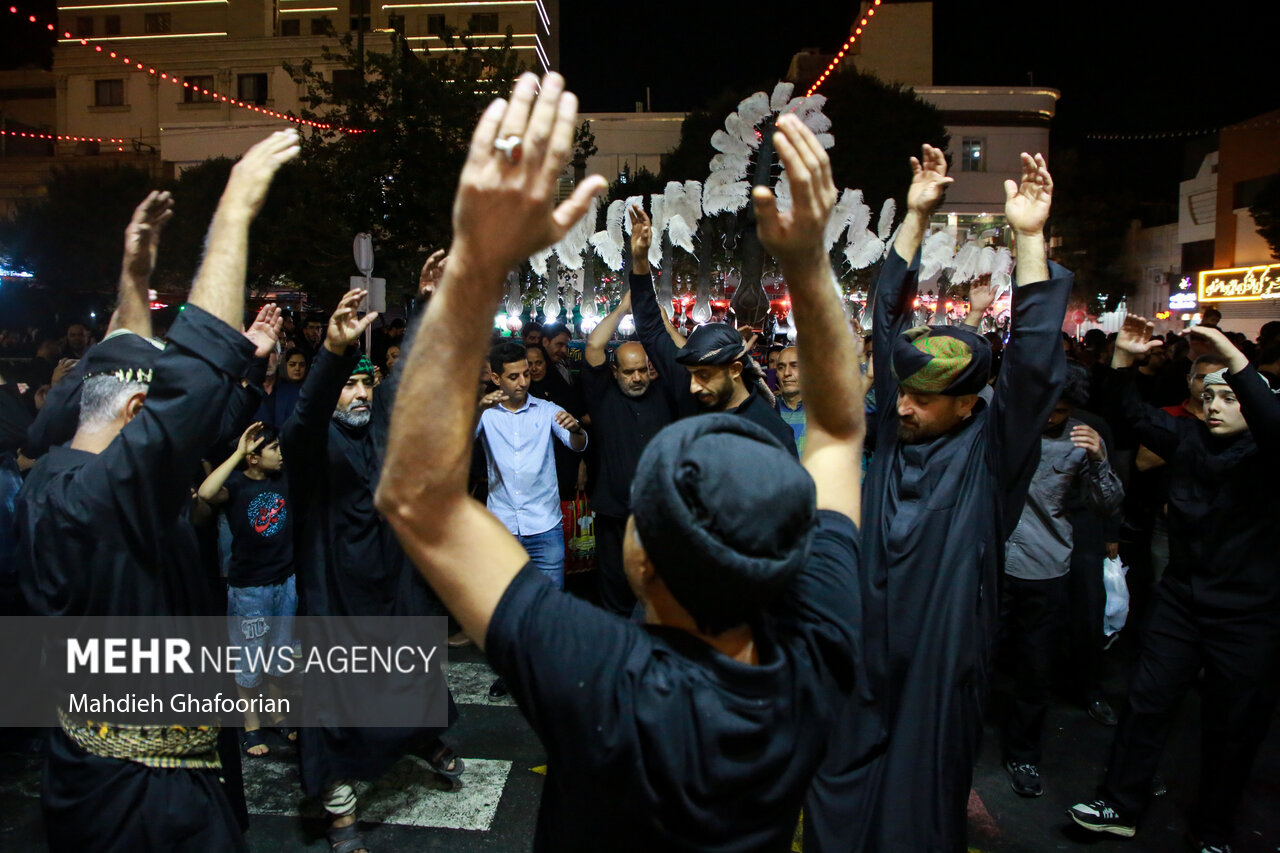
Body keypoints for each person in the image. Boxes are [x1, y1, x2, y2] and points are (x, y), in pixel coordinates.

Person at [377, 72, 866, 852]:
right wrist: (810, 264)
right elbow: (843, 434)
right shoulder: (819, 652)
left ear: (642, 559)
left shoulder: (600, 676)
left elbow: (411, 494)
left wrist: (475, 266)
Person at [14, 129, 298, 853]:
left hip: (89, 768)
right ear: (140, 415)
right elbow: (191, 378)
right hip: (144, 798)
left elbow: (123, 363)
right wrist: (233, 211)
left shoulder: (53, 475)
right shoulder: (108, 497)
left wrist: (134, 273)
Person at [806, 146, 1071, 853]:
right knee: (838, 792)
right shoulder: (896, 432)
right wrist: (916, 214)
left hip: (939, 667)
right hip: (864, 652)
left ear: (967, 403)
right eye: (905, 391)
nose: (904, 406)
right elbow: (887, 318)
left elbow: (1037, 359)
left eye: (926, 397)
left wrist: (1028, 237)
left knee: (916, 817)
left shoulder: (992, 453)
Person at [1068, 320, 1280, 853]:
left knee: (1233, 727)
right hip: (1181, 600)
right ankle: (1120, 803)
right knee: (1147, 700)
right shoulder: (1187, 438)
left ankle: (1212, 831)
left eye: (1230, 397)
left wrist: (1232, 355)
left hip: (1251, 614)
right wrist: (1122, 361)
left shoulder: (1270, 452)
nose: (1215, 406)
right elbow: (1129, 414)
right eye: (1207, 395)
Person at [283, 261, 462, 853]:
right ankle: (340, 816)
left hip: (392, 584)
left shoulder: (379, 424)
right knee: (333, 710)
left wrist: (425, 304)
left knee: (410, 677)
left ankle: (416, 738)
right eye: (347, 385)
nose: (360, 394)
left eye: (364, 383)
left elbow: (406, 376)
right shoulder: (310, 443)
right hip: (336, 596)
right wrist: (331, 354)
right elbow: (304, 419)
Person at [1000, 365, 1123, 798]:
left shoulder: (1081, 439)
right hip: (994, 565)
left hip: (1045, 568)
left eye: (1061, 410)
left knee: (1035, 672)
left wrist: (1101, 461)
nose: (1051, 416)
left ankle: (1023, 754)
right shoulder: (1010, 425)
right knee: (975, 658)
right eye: (1046, 407)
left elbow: (1107, 504)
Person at [629, 207, 797, 454]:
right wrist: (640, 260)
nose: (694, 386)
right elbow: (650, 328)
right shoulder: (694, 386)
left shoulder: (770, 432)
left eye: (705, 376)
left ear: (735, 369)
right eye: (693, 374)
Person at [197, 421, 298, 757]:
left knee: (278, 655)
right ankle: (252, 727)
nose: (281, 454)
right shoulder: (236, 485)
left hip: (284, 581)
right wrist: (238, 452)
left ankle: (278, 713)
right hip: (249, 589)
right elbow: (207, 494)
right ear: (254, 458)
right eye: (274, 449)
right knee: (249, 659)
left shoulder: (283, 477)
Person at [581, 290, 675, 616]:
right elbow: (594, 347)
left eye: (642, 370)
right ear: (616, 372)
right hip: (615, 516)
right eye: (629, 371)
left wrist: (663, 323)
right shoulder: (603, 397)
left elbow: (684, 357)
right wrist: (622, 308)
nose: (637, 378)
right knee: (615, 588)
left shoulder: (666, 394)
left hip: (659, 516)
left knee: (661, 588)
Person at [775, 346, 806, 455]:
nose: (787, 373)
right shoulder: (768, 411)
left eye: (795, 366)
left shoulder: (824, 413)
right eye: (781, 367)